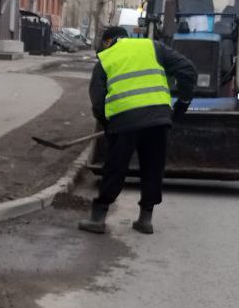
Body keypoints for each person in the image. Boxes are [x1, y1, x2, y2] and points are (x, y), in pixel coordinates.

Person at [79, 27, 196, 235]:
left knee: (115, 168)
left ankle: (98, 219)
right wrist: (183, 103)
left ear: (107, 41)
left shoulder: (105, 59)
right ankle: (145, 220)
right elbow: (188, 69)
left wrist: (108, 126)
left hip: (124, 121)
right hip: (158, 119)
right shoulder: (153, 46)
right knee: (153, 168)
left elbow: (98, 103)